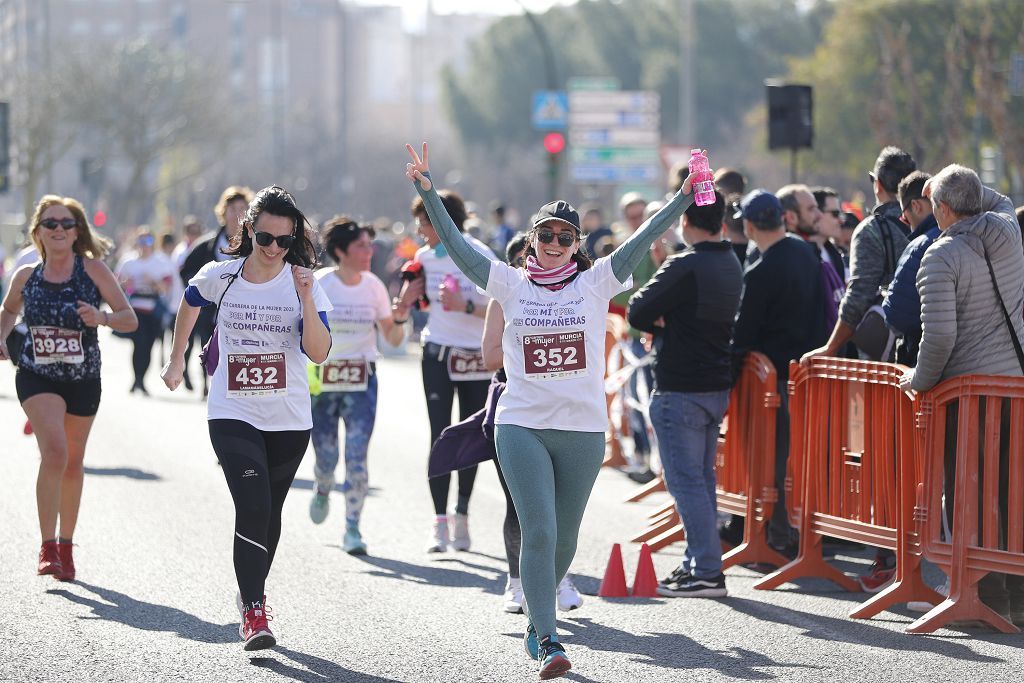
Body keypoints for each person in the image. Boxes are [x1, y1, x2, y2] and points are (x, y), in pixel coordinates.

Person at [404, 142, 701, 679]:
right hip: (522, 424)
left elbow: (645, 238)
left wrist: (682, 198)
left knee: (564, 540)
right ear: (533, 241)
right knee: (538, 529)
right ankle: (547, 638)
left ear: (577, 244)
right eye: (546, 235)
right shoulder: (510, 284)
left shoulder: (595, 282)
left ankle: (536, 613)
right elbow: (457, 247)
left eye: (566, 237)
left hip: (582, 431)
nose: (556, 244)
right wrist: (427, 190)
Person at [160, 186, 332, 651]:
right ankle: (255, 612)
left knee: (270, 512)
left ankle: (248, 589)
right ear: (249, 231)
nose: (275, 248)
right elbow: (190, 303)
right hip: (232, 409)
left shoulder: (303, 282)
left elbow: (317, 353)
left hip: (289, 416)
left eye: (284, 239)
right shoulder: (223, 274)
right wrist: (176, 360)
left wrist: (308, 298)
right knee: (252, 505)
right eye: (266, 238)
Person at [901, 165, 1024, 625]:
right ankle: (1018, 598)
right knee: (1013, 492)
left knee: (970, 493)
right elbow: (996, 198)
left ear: (943, 209)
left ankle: (986, 597)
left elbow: (939, 341)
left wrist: (918, 381)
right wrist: (960, 186)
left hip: (967, 395)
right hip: (1013, 386)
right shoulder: (1007, 227)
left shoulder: (941, 256)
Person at [0, 195, 138, 582]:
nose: (58, 229)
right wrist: (2, 335)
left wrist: (102, 318)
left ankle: (65, 543)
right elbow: (10, 310)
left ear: (77, 231)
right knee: (55, 452)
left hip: (82, 378)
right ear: (37, 233)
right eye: (50, 224)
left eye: (65, 223)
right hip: (36, 374)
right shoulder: (26, 276)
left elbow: (130, 319)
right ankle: (46, 545)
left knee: (74, 462)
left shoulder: (92, 270)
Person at [627, 190, 742, 598]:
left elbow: (638, 309)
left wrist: (662, 321)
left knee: (687, 481)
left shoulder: (686, 263)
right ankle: (699, 562)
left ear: (685, 222)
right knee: (702, 480)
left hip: (681, 385)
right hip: (714, 383)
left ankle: (707, 570)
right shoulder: (731, 261)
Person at [308, 216, 412, 555]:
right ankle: (323, 485)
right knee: (327, 455)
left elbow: (392, 336)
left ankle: (352, 526)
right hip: (322, 382)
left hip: (361, 382)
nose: (370, 251)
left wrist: (400, 314)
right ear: (340, 251)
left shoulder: (374, 287)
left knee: (356, 456)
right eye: (361, 246)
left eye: (370, 245)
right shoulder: (320, 283)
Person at [731, 189, 825, 556]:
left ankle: (778, 536)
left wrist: (727, 373)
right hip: (807, 373)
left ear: (751, 225)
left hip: (773, 382)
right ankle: (795, 534)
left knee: (776, 459)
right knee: (798, 459)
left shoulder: (762, 270)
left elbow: (744, 333)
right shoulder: (806, 252)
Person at [403, 187, 497, 553]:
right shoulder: (424, 258)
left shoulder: (480, 254)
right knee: (439, 434)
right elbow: (415, 302)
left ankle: (462, 514)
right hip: (438, 354)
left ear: (444, 221)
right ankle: (439, 520)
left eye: (424, 223)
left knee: (470, 435)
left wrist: (465, 305)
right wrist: (405, 302)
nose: (420, 231)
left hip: (475, 356)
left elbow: (499, 305)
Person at [803, 146, 916, 366]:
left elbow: (859, 295)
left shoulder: (871, 230)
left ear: (877, 184)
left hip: (886, 359)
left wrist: (831, 347)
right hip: (931, 353)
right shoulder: (934, 223)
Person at [179, 186, 255, 395]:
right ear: (223, 212)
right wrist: (206, 290)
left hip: (243, 311)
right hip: (209, 310)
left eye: (243, 209)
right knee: (206, 343)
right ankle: (206, 382)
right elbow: (186, 271)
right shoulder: (206, 246)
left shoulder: (256, 246)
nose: (238, 214)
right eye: (233, 209)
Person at [881, 171, 938, 367]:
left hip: (926, 363)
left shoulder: (919, 246)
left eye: (904, 218)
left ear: (915, 206)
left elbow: (895, 315)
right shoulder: (979, 237)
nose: (908, 225)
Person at [116, 227, 176, 395]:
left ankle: (142, 379)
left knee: (148, 346)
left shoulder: (160, 263)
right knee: (137, 344)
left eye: (148, 241)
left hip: (153, 308)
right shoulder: (128, 262)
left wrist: (154, 282)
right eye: (141, 241)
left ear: (153, 243)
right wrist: (126, 284)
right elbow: (116, 284)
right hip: (135, 308)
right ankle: (137, 379)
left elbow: (165, 287)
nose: (144, 245)